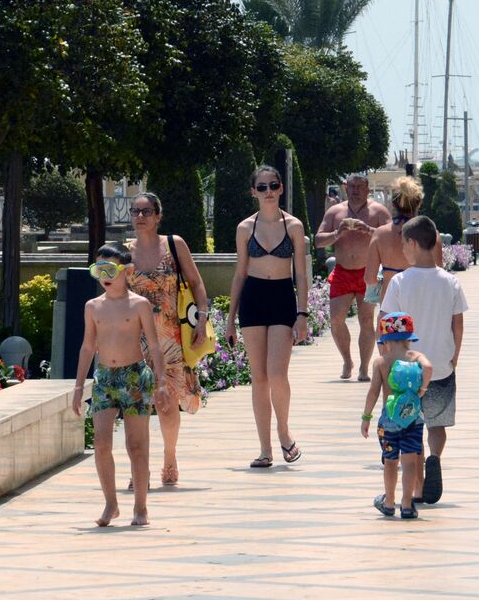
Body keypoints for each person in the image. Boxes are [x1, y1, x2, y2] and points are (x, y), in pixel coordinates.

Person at [72, 244, 166, 528]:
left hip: (135, 376)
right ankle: (111, 503)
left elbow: (154, 344)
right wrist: (79, 388)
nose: (104, 276)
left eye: (110, 270)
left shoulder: (138, 305)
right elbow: (88, 347)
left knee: (136, 445)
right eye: (99, 270)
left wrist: (161, 382)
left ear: (127, 271)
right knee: (101, 443)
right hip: (105, 378)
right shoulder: (93, 306)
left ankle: (140, 506)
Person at [226, 165, 310, 469]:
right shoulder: (245, 228)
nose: (268, 191)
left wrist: (303, 313)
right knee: (258, 377)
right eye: (262, 187)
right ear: (253, 192)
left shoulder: (294, 227)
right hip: (253, 297)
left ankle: (284, 431)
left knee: (277, 374)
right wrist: (229, 317)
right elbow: (238, 274)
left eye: (273, 185)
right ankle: (265, 449)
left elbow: (301, 272)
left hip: (282, 297)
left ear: (281, 188)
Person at [380, 216, 467, 505]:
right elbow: (458, 325)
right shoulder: (451, 282)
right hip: (441, 364)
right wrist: (455, 356)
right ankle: (435, 458)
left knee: (410, 425)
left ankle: (417, 488)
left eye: (404, 244)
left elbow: (387, 322)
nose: (403, 249)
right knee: (436, 424)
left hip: (407, 368)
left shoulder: (400, 282)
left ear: (414, 244)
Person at [126, 192, 208, 487]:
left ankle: (170, 456)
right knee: (136, 406)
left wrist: (202, 318)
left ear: (158, 216)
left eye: (146, 212)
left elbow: (197, 284)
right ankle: (140, 468)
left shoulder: (174, 245)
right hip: (134, 338)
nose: (140, 217)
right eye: (135, 211)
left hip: (170, 336)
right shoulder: (123, 253)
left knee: (166, 402)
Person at [315, 173, 391, 381]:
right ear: (345, 188)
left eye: (360, 186)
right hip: (342, 272)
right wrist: (336, 234)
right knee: (336, 319)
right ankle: (347, 360)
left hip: (368, 272)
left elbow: (392, 235)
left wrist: (369, 230)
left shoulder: (378, 210)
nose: (355, 189)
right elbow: (318, 240)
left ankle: (364, 368)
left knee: (367, 320)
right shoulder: (335, 211)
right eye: (352, 186)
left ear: (368, 189)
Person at [362, 313, 432, 520]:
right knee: (410, 461)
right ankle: (408, 504)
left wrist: (366, 417)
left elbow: (373, 392)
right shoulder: (416, 358)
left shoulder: (381, 362)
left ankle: (389, 501)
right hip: (413, 418)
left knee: (391, 462)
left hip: (389, 421)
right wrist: (422, 390)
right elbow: (428, 367)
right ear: (408, 338)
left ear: (385, 341)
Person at [365, 176, 441, 306]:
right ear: (419, 203)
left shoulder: (380, 234)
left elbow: (370, 279)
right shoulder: (432, 234)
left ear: (394, 204)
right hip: (422, 304)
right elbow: (439, 274)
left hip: (390, 306)